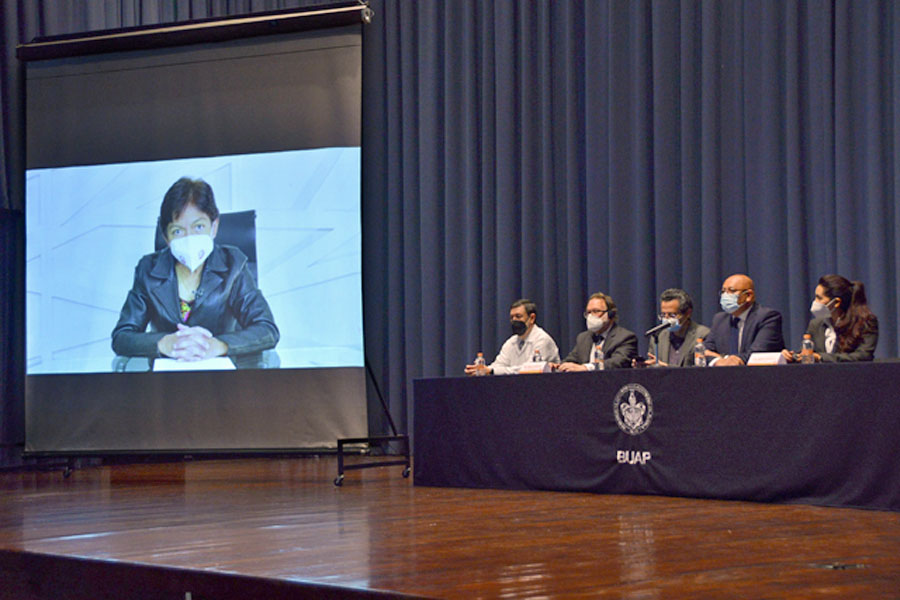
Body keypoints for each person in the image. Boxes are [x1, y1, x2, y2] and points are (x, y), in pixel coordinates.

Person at [112, 177, 279, 367]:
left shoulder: (234, 265)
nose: (190, 238)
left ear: (214, 227)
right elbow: (122, 336)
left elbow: (267, 330)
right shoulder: (148, 269)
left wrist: (219, 345)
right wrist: (164, 343)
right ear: (166, 237)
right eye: (177, 231)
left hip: (222, 372)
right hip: (164, 377)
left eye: (199, 227)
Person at [781, 274, 878, 363]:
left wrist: (821, 357)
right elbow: (807, 353)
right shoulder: (816, 324)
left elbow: (864, 356)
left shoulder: (866, 322)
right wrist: (792, 355)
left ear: (836, 302)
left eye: (819, 298)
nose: (815, 302)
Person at [703, 273, 784, 366]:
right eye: (723, 291)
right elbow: (704, 352)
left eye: (731, 291)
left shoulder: (768, 317)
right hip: (723, 377)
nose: (725, 295)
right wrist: (718, 361)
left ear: (748, 295)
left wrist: (724, 359)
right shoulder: (719, 319)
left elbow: (758, 354)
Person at [465, 299, 560, 375]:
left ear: (532, 318)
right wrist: (481, 370)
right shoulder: (511, 342)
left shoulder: (543, 340)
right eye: (512, 317)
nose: (514, 320)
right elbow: (499, 364)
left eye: (518, 316)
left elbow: (529, 369)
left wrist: (491, 371)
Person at [557, 292, 638, 371]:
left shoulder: (625, 337)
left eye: (596, 311)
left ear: (610, 314)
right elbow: (571, 360)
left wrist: (587, 368)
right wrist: (559, 366)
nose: (590, 316)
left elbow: (618, 362)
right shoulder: (583, 338)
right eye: (588, 312)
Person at [642, 288, 710, 367]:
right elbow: (652, 368)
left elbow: (700, 371)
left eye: (672, 315)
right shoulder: (658, 336)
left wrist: (666, 367)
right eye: (663, 315)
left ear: (688, 313)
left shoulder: (703, 334)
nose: (667, 319)